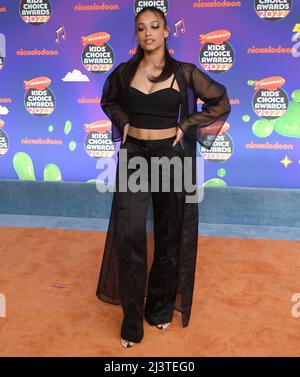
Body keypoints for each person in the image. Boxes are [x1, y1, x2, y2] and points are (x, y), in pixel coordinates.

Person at [96, 6, 231, 348]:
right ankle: (130, 324)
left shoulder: (184, 72)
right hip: (135, 156)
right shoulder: (124, 72)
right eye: (141, 28)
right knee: (130, 237)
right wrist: (124, 122)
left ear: (167, 31)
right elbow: (108, 100)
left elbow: (219, 101)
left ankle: (158, 309)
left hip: (171, 159)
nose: (148, 33)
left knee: (169, 237)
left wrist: (185, 125)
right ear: (136, 35)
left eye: (155, 26)